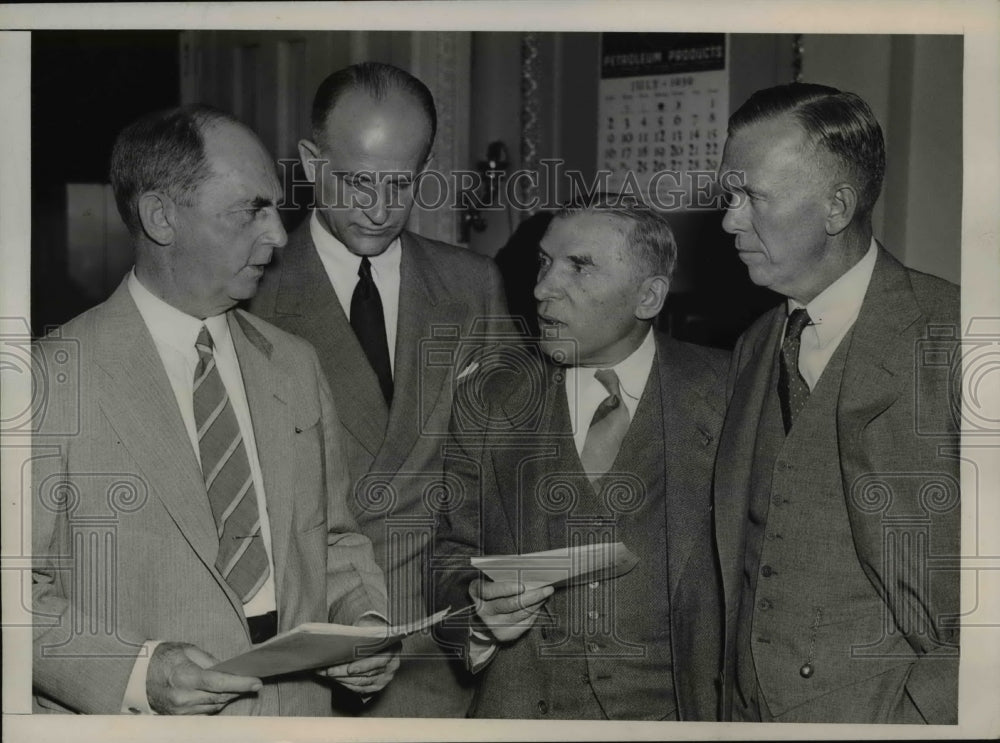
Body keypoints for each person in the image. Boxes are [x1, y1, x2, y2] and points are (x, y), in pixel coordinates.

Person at [31, 105, 397, 716]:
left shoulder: (295, 364)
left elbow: (333, 541)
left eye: (275, 208)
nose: (279, 235)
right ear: (161, 217)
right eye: (249, 210)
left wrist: (363, 622)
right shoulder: (48, 378)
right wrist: (139, 673)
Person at [249, 61, 509, 717]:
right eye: (358, 180)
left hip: (442, 647)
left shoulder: (474, 285)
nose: (379, 206)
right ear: (312, 163)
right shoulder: (250, 293)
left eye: (401, 182)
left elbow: (498, 473)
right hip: (303, 648)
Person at [713, 83, 960, 724]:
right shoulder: (754, 344)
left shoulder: (956, 336)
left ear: (836, 207)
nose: (729, 220)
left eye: (753, 197)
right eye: (729, 195)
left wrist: (930, 714)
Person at [431, 199, 728, 720]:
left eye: (579, 267)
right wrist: (477, 614)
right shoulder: (489, 398)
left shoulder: (729, 396)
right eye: (544, 263)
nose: (543, 288)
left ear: (649, 296)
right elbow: (450, 555)